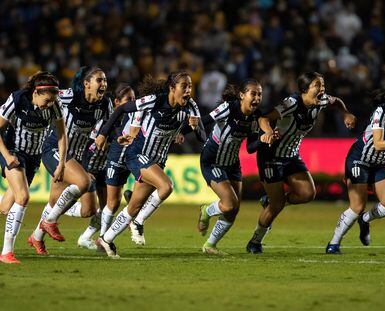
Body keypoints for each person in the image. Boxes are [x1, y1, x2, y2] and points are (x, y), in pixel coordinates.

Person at [246, 71, 356, 254]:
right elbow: (264, 118)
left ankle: (272, 201)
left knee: (307, 193)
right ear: (304, 89)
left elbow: (336, 101)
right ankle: (255, 241)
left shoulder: (321, 100)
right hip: (270, 156)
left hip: (291, 155)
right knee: (276, 205)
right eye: (317, 86)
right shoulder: (291, 103)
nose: (322, 89)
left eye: (323, 85)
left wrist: (345, 114)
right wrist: (266, 132)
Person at [95, 71, 201, 258]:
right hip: (138, 154)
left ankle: (106, 239)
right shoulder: (154, 101)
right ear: (172, 88)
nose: (188, 90)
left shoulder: (191, 106)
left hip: (158, 161)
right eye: (183, 86)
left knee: (134, 206)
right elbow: (120, 109)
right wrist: (104, 133)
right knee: (166, 186)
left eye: (190, 86)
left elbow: (202, 136)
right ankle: (138, 222)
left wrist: (195, 126)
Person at [28, 66, 113, 255]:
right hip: (54, 150)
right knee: (83, 182)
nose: (104, 84)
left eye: (105, 80)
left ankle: (36, 236)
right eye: (99, 80)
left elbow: (106, 131)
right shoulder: (67, 97)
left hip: (79, 157)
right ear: (86, 84)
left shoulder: (105, 105)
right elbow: (42, 99)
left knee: (87, 210)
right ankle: (49, 222)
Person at [326, 81, 385, 254]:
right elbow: (379, 143)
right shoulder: (382, 111)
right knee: (357, 206)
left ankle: (365, 220)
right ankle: (334, 244)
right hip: (360, 159)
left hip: (380, 163)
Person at [197, 79, 276, 255]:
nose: (257, 97)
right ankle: (206, 211)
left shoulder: (255, 118)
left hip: (232, 164)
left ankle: (210, 245)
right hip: (212, 161)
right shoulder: (228, 108)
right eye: (253, 93)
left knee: (234, 210)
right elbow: (203, 121)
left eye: (259, 94)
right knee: (229, 204)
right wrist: (182, 133)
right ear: (242, 95)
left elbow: (249, 148)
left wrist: (263, 140)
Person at [0, 71, 66, 264]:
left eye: (52, 101)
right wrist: (7, 156)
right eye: (46, 100)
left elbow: (62, 135)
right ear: (36, 93)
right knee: (23, 197)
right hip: (12, 151)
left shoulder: (55, 104)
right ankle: (6, 253)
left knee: (6, 207)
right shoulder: (18, 99)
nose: (49, 105)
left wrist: (62, 163)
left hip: (33, 157)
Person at [76, 84, 141, 248]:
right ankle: (58, 210)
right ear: (117, 102)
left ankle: (88, 237)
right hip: (92, 168)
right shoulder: (105, 121)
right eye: (128, 100)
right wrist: (86, 170)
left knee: (108, 206)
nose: (131, 103)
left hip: (105, 168)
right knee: (89, 209)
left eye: (134, 99)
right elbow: (89, 146)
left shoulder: (130, 121)